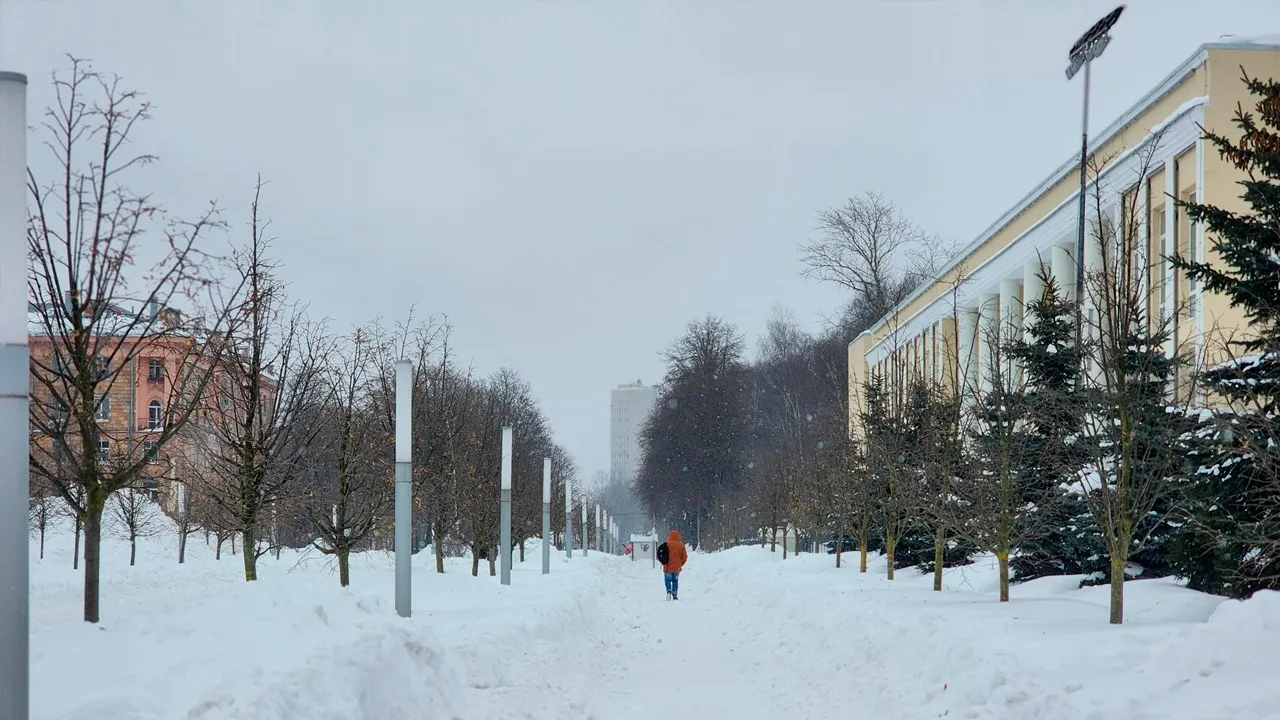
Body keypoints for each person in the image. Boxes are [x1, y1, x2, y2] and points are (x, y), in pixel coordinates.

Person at [660, 529, 688, 600]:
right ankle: (675, 594)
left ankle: (669, 591)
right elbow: (684, 557)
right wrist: (680, 564)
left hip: (667, 566)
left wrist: (663, 562)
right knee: (675, 581)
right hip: (676, 568)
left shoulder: (666, 544)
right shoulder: (681, 545)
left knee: (668, 580)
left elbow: (661, 554)